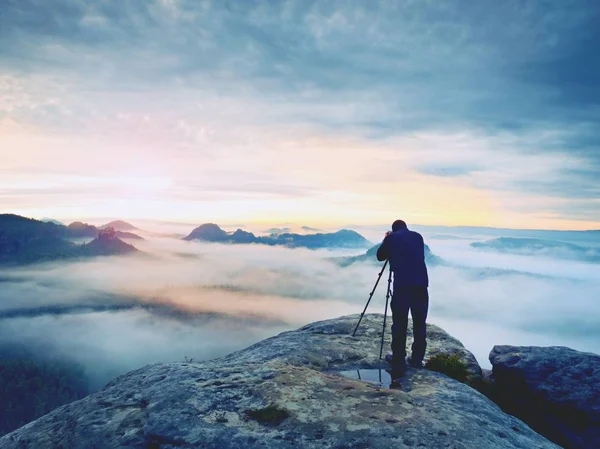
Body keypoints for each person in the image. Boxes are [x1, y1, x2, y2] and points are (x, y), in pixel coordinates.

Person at [376, 219, 429, 377]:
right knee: (419, 323)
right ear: (405, 227)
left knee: (400, 324)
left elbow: (380, 256)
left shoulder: (392, 238)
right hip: (421, 285)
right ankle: (417, 359)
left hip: (402, 287)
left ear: (393, 229)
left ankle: (398, 361)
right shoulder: (418, 237)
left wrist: (387, 239)